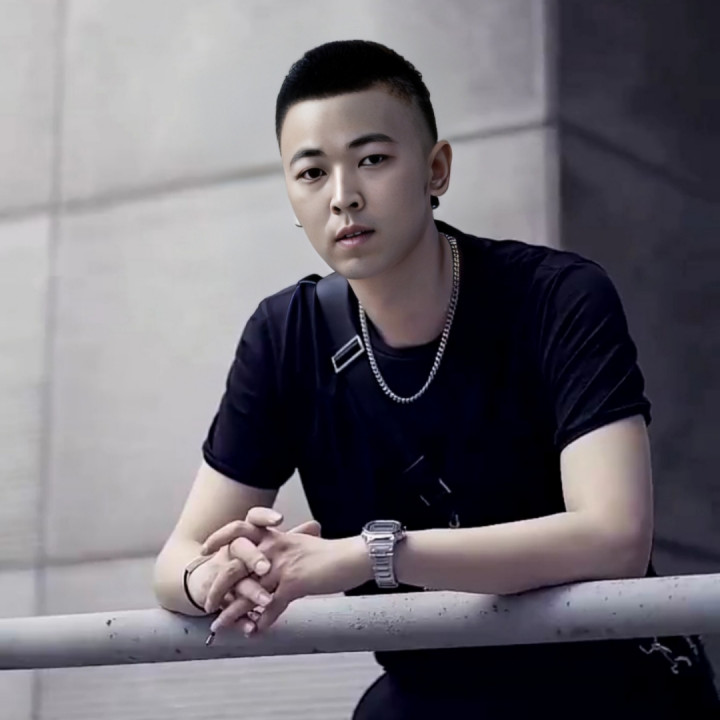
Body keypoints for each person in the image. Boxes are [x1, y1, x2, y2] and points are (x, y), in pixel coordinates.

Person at [154, 40, 719, 718]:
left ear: (436, 168)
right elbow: (177, 560)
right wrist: (219, 576)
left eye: (372, 159)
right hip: (434, 698)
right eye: (311, 173)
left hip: (607, 693)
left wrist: (368, 556)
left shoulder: (557, 298)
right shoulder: (285, 337)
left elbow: (615, 537)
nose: (343, 197)